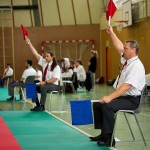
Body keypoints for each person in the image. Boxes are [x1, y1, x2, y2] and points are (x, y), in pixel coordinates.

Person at [89, 26, 145, 147]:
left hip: (132, 101)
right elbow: (119, 46)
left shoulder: (136, 66)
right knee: (98, 104)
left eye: (125, 49)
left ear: (133, 51)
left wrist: (109, 97)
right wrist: (112, 33)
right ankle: (103, 133)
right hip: (124, 98)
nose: (122, 50)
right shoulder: (127, 59)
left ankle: (109, 138)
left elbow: (127, 86)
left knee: (108, 106)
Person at [25, 36, 61, 112]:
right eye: (45, 56)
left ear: (52, 57)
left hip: (54, 85)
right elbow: (35, 53)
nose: (46, 57)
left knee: (43, 87)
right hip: (45, 84)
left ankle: (42, 106)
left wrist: (44, 82)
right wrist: (29, 43)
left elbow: (55, 79)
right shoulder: (44, 62)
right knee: (31, 86)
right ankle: (37, 105)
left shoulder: (56, 67)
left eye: (47, 56)